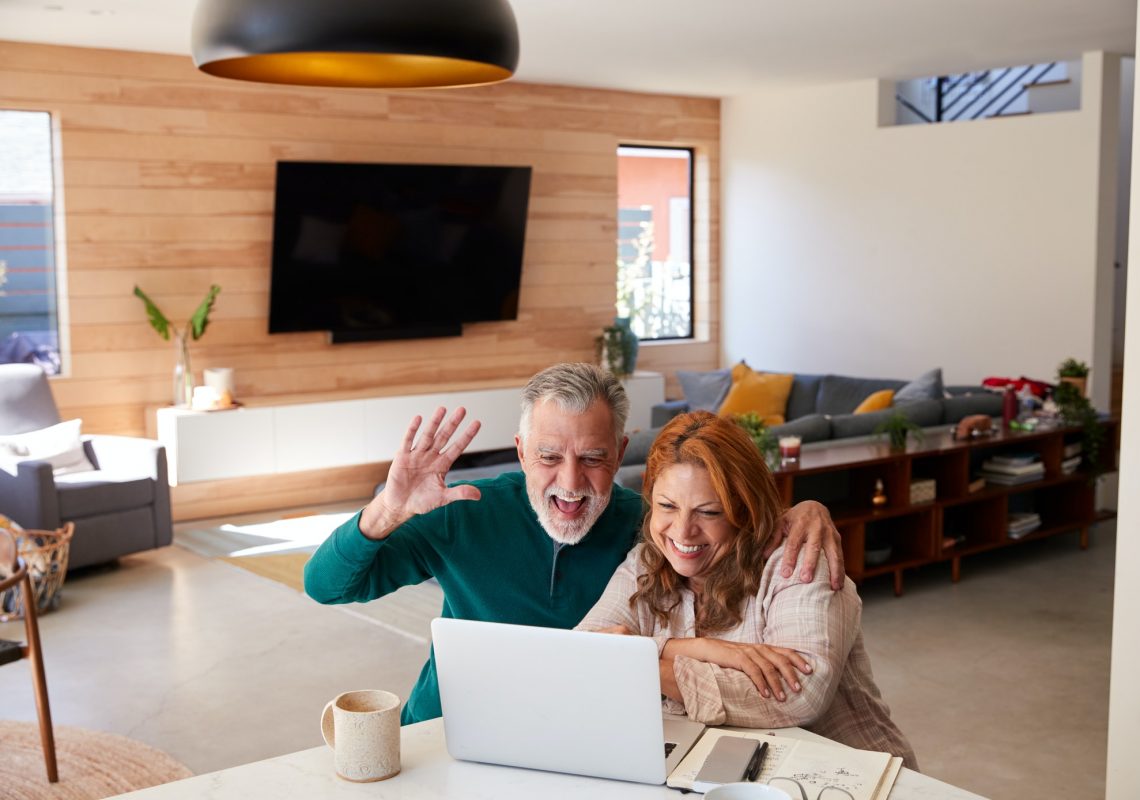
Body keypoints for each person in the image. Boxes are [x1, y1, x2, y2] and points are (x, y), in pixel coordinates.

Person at [304, 363, 846, 725]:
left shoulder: (647, 528)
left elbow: (718, 519)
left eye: (592, 458)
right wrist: (384, 511)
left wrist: (802, 509)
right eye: (548, 457)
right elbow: (325, 587)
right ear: (519, 451)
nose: (569, 482)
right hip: (449, 723)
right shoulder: (460, 509)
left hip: (576, 730)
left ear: (620, 451)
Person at [576, 410, 917, 769]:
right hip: (725, 774)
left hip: (855, 776)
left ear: (745, 507)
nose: (682, 531)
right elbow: (579, 653)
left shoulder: (798, 558)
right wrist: (701, 648)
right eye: (667, 506)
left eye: (708, 512)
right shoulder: (647, 561)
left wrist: (645, 664)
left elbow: (800, 693)